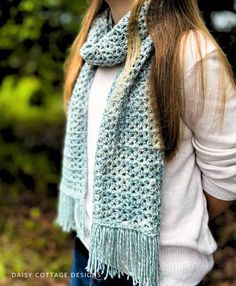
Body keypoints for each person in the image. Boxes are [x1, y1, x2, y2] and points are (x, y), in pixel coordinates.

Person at [54, 0, 236, 285]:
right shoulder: (94, 43)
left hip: (157, 273)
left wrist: (174, 226)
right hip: (88, 253)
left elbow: (227, 176)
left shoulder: (190, 51)